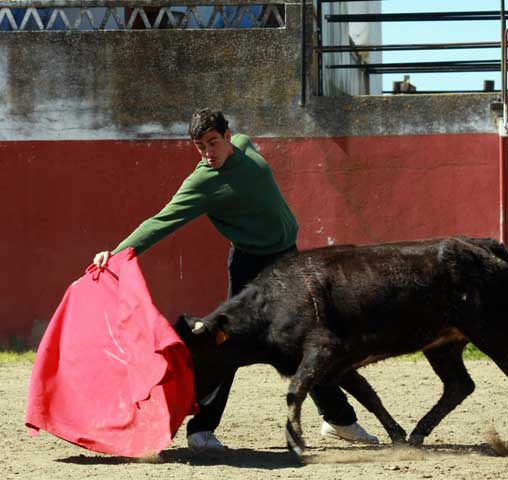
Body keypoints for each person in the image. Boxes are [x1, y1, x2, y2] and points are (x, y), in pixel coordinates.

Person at [93, 108, 379, 452]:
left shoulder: (245, 144)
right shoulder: (203, 182)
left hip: (286, 258)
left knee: (309, 337)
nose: (208, 152)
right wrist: (119, 253)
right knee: (227, 342)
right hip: (249, 264)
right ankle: (201, 430)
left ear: (229, 137)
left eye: (213, 142)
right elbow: (161, 221)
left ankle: (338, 421)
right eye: (200, 146)